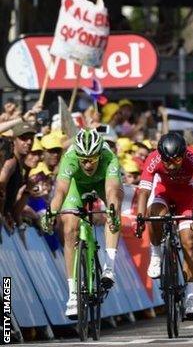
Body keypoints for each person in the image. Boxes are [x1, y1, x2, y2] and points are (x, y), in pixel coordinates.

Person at [43, 128, 123, 318]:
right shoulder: (70, 157)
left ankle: (109, 268)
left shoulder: (108, 157)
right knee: (69, 227)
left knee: (114, 210)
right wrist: (51, 213)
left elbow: (112, 190)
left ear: (99, 155)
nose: (87, 164)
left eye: (92, 159)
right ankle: (72, 295)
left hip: (103, 183)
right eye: (83, 160)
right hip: (76, 188)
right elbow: (61, 191)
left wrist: (111, 211)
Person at [136, 132, 193, 320]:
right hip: (164, 193)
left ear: (183, 155)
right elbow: (143, 191)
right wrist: (140, 218)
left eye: (175, 161)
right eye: (166, 162)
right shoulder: (153, 158)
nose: (170, 166)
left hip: (187, 198)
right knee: (154, 215)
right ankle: (157, 253)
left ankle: (191, 296)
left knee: (189, 243)